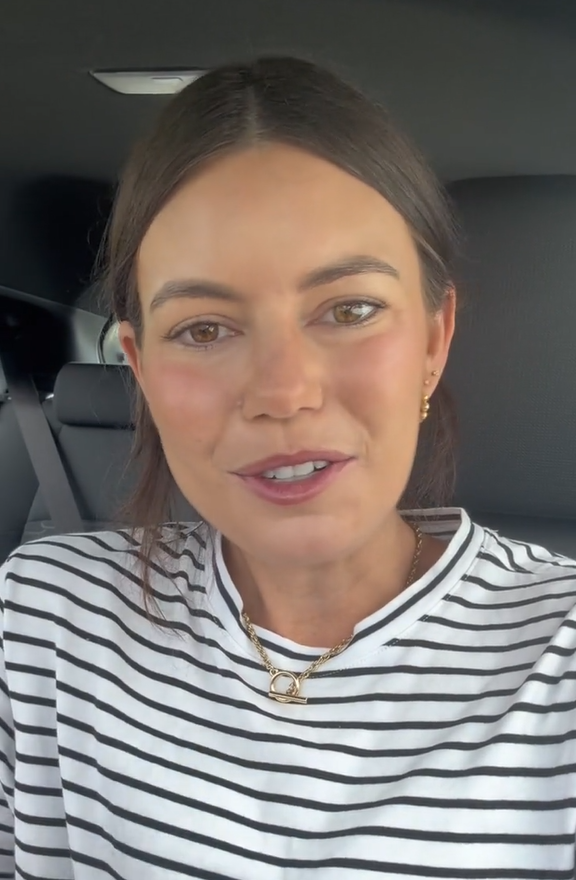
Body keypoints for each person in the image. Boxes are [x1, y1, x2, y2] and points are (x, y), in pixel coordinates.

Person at [1, 56, 575, 880]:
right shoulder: (41, 619)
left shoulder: (559, 657)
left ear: (433, 341)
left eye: (350, 310)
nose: (283, 393)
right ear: (142, 367)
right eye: (203, 329)